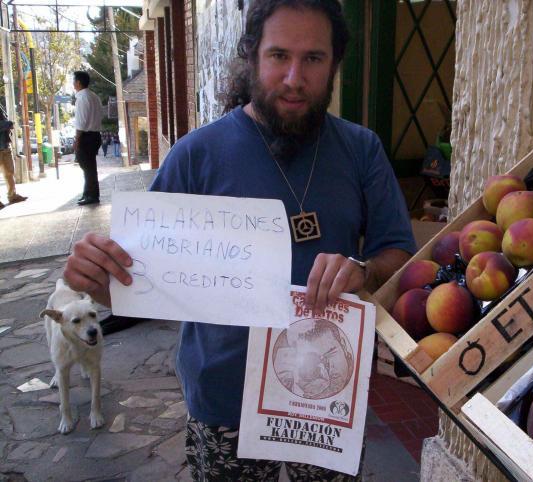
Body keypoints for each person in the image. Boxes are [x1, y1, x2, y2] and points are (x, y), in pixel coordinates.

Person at [63, 1, 416, 480]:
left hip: (327, 400)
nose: (294, 77)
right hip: (226, 403)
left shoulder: (362, 150)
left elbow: (399, 254)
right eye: (278, 56)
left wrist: (364, 268)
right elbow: (137, 286)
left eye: (313, 58)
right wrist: (99, 278)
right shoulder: (196, 156)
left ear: (334, 64)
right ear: (252, 57)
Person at [73, 71, 102, 206]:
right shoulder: (94, 96)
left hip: (86, 136)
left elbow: (81, 122)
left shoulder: (82, 98)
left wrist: (77, 140)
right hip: (94, 135)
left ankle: (92, 195)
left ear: (78, 82)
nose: (73, 84)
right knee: (90, 167)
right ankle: (88, 193)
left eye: (74, 81)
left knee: (88, 168)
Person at [0, 109, 27, 210]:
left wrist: (8, 124)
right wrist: (9, 123)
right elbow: (6, 124)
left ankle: (12, 196)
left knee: (9, 173)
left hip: (5, 147)